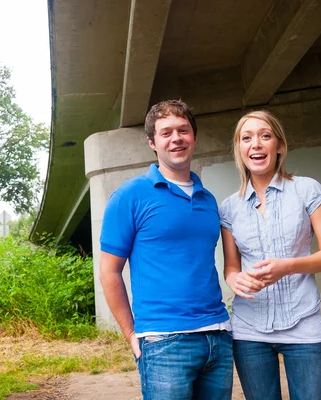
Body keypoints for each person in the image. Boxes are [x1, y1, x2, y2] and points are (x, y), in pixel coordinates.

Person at [99, 99, 233, 400]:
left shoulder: (208, 199)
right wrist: (131, 334)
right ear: (152, 142)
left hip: (219, 336)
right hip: (164, 341)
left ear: (194, 138)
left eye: (183, 130)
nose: (176, 139)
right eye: (166, 132)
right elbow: (109, 272)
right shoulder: (130, 196)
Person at [219, 110, 321, 400]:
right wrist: (234, 280)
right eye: (246, 138)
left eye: (265, 136)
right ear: (239, 150)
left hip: (304, 324)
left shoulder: (307, 189)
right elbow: (231, 267)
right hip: (249, 332)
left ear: (280, 146)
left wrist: (287, 267)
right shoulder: (228, 208)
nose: (256, 144)